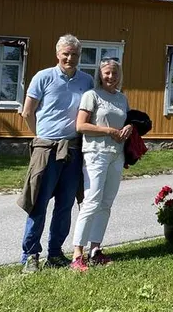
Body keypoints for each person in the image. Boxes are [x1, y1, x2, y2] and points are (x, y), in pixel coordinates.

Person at [17, 34, 94, 274]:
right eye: (66, 54)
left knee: (65, 204)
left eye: (74, 55)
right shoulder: (43, 77)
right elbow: (27, 112)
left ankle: (55, 252)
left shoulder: (87, 81)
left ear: (79, 56)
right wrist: (40, 137)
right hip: (47, 148)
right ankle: (30, 255)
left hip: (72, 149)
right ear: (58, 54)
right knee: (38, 202)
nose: (70, 58)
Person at [69, 58, 132, 271]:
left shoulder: (122, 98)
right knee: (92, 200)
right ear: (100, 74)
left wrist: (128, 128)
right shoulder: (92, 95)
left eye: (114, 73)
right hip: (96, 153)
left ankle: (95, 250)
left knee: (106, 203)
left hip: (117, 154)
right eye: (107, 73)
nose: (111, 77)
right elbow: (81, 125)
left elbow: (124, 121)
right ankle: (77, 253)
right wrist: (107, 131)